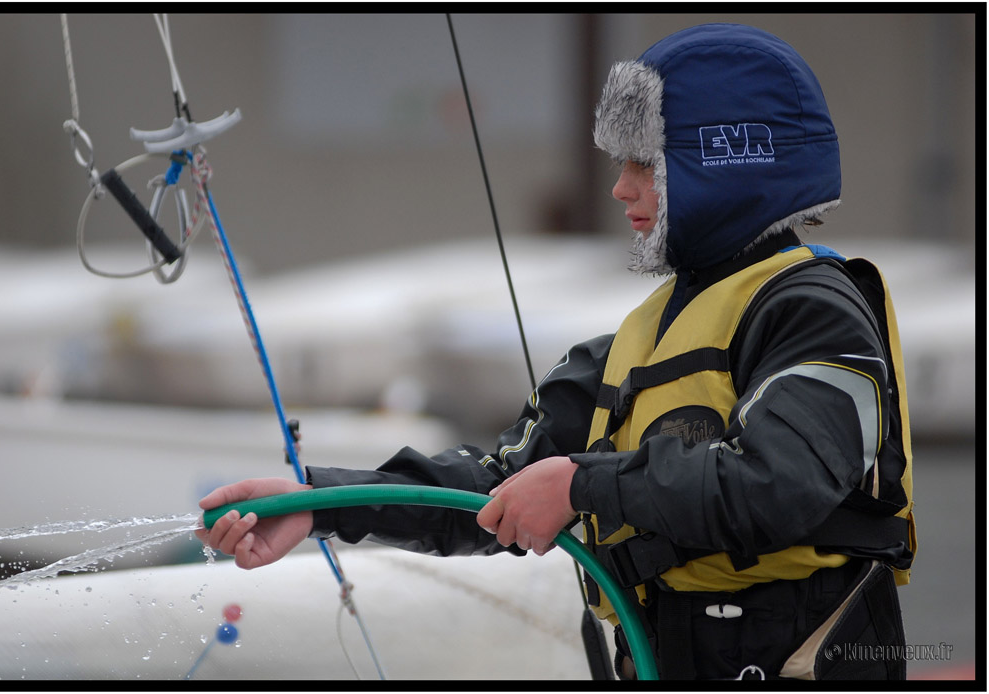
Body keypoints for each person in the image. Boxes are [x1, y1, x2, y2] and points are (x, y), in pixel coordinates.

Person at [196, 23, 915, 680]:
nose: (620, 187)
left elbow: (779, 485)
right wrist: (319, 503)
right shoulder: (635, 341)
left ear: (724, 161)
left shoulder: (814, 309)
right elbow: (494, 484)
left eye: (644, 163)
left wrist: (579, 485)